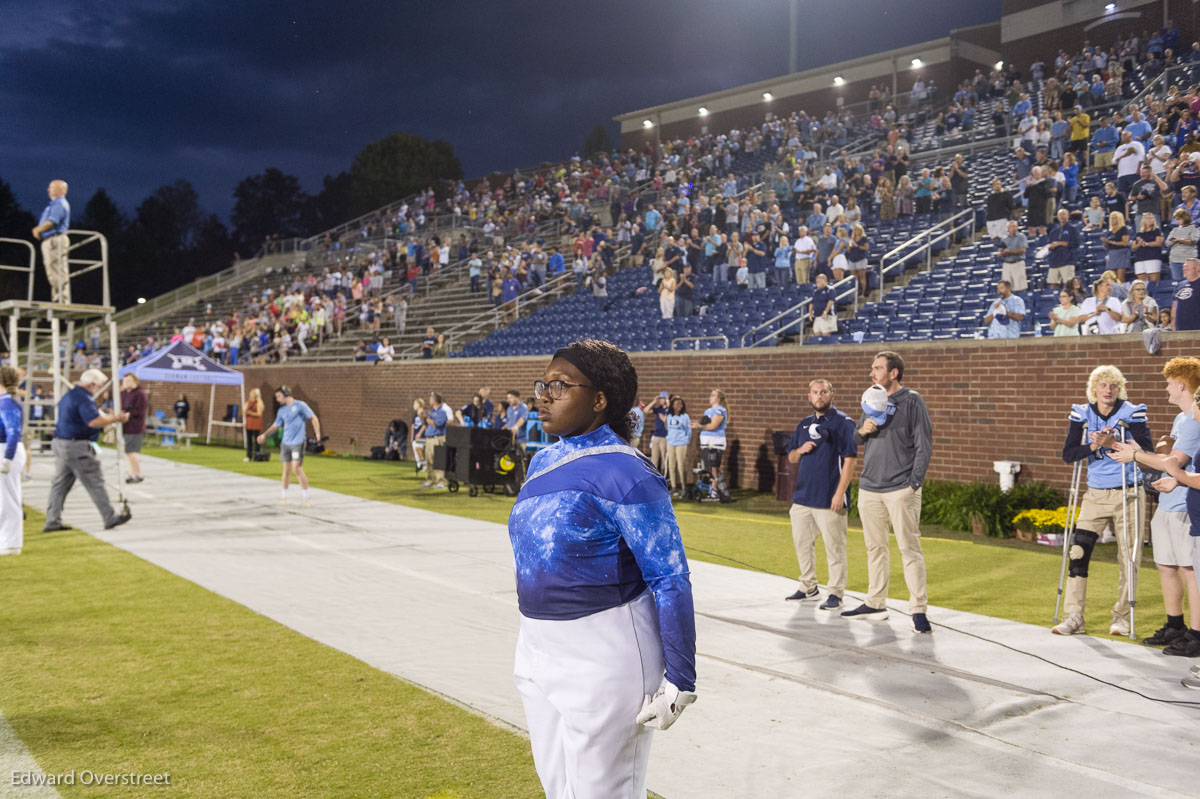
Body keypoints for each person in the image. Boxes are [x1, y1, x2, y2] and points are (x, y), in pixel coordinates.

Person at [509, 339, 696, 797]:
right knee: (559, 789)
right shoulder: (542, 460)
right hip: (536, 646)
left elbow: (669, 576)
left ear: (599, 400)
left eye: (559, 385)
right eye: (543, 384)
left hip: (605, 652)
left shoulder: (627, 471)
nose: (543, 395)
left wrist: (682, 677)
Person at [1110, 358, 1200, 656]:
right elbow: (1168, 458)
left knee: (1190, 570)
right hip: (1168, 499)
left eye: (1169, 383)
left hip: (1184, 506)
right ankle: (1175, 625)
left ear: (1181, 384)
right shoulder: (1181, 419)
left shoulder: (1193, 421)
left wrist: (1136, 456)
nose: (1166, 388)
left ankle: (1195, 634)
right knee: (1166, 565)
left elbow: (1172, 462)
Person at [1052, 366, 1150, 637]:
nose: (1108, 390)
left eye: (1113, 386)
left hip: (1128, 492)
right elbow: (1069, 454)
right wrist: (1096, 446)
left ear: (1119, 389)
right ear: (1094, 388)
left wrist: (1114, 440)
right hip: (1095, 494)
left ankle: (1121, 617)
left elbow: (1146, 449)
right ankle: (1074, 616)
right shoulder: (1081, 414)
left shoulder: (1132, 412)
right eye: (1103, 385)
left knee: (1129, 556)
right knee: (1078, 551)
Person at [845, 352, 933, 633]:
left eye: (878, 368)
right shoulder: (872, 396)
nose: (872, 373)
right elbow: (855, 438)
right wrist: (863, 430)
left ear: (894, 373)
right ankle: (875, 602)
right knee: (875, 548)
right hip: (870, 487)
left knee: (909, 548)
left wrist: (913, 484)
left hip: (900, 489)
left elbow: (924, 445)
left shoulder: (912, 401)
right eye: (872, 367)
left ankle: (918, 609)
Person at [784, 379, 857, 610]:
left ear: (831, 395)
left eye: (823, 392)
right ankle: (808, 586)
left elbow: (850, 460)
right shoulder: (804, 424)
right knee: (802, 544)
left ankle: (835, 593)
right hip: (803, 497)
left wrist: (840, 493)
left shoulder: (843, 422)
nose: (819, 396)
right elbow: (791, 457)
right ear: (809, 397)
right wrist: (800, 450)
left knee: (835, 548)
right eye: (815, 392)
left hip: (829, 498)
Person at [43, 369, 131, 531]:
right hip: (76, 446)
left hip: (61, 442)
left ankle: (52, 520)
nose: (99, 389)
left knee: (60, 485)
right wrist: (117, 419)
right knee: (94, 480)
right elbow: (93, 421)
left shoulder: (68, 396)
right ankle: (109, 517)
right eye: (99, 386)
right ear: (91, 384)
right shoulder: (84, 398)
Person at [256, 386, 321, 507]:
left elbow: (313, 417)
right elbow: (275, 426)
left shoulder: (300, 405)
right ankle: (283, 497)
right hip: (286, 444)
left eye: (279, 396)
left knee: (296, 468)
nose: (277, 399)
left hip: (298, 442)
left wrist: (317, 434)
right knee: (286, 471)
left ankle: (306, 498)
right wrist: (264, 435)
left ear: (286, 394)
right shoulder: (281, 411)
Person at [31, 179, 71, 303]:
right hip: (51, 239)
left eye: (51, 187)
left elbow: (52, 221)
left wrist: (38, 230)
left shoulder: (60, 204)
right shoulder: (55, 204)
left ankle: (62, 298)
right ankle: (58, 296)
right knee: (52, 269)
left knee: (56, 268)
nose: (48, 190)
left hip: (55, 239)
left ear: (59, 189)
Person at [0, 366, 25, 555]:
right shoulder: (5, 400)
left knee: (9, 498)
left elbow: (13, 431)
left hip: (7, 450)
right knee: (4, 498)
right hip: (7, 448)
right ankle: (6, 540)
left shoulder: (8, 401)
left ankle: (12, 544)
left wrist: (7, 458)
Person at [691, 389, 730, 503]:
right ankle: (715, 491)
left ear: (719, 398)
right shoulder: (707, 411)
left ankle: (719, 492)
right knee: (709, 468)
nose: (710, 397)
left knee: (715, 467)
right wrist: (698, 425)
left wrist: (699, 426)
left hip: (715, 441)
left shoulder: (720, 410)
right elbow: (705, 424)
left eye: (713, 395)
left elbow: (713, 426)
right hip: (706, 441)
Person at [119, 374, 147, 484]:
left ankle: (137, 474)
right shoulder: (124, 393)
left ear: (135, 381)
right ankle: (133, 473)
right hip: (125, 426)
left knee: (131, 451)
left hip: (134, 427)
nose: (127, 382)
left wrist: (128, 414)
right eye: (125, 380)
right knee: (127, 451)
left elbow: (140, 411)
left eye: (129, 380)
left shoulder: (140, 394)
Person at [419, 392, 449, 489]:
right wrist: (422, 416)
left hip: (438, 438)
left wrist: (426, 417)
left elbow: (437, 424)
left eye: (431, 398)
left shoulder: (442, 412)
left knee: (438, 460)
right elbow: (426, 423)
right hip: (429, 438)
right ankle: (430, 479)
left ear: (435, 400)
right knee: (429, 460)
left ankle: (441, 481)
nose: (429, 400)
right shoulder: (431, 411)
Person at [1045, 208, 1079, 289]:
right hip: (1054, 262)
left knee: (1069, 286)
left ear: (1068, 216)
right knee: (1053, 285)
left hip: (1067, 261)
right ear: (1057, 217)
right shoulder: (1054, 231)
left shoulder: (1072, 229)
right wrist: (1051, 247)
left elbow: (1075, 243)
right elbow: (1049, 245)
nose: (1062, 216)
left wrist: (1059, 243)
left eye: (1064, 214)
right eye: (1060, 215)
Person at [665, 395, 691, 497]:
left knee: (680, 465)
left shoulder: (685, 417)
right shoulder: (669, 416)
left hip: (681, 443)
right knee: (671, 465)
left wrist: (686, 440)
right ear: (672, 405)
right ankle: (674, 487)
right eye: (676, 404)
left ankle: (684, 488)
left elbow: (688, 431)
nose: (678, 406)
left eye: (680, 404)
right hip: (671, 442)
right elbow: (668, 428)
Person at [1165, 209, 1198, 284]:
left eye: (1178, 219)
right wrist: (1174, 241)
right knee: (1177, 283)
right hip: (1174, 259)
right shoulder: (1175, 230)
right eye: (1176, 220)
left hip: (1188, 259)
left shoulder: (1193, 228)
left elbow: (1193, 241)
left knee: (1190, 281)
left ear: (1184, 218)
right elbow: (1167, 243)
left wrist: (1178, 240)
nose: (1177, 222)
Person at [1130, 213, 1164, 284]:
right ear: (1143, 220)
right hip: (1139, 259)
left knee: (1154, 281)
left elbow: (1159, 243)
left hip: (1153, 258)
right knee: (1142, 282)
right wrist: (1139, 244)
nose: (1149, 220)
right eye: (1147, 218)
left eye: (1151, 218)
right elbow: (1133, 247)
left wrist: (1146, 244)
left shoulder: (1157, 231)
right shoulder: (1138, 234)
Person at [997, 220, 1029, 292]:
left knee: (1020, 287)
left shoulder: (1021, 236)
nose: (1013, 228)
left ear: (1017, 227)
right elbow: (999, 253)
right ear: (1007, 228)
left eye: (1014, 226)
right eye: (1011, 226)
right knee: (1006, 287)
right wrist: (1002, 253)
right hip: (1007, 264)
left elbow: (1023, 250)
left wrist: (1009, 252)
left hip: (1018, 263)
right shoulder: (1004, 239)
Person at [1172, 258, 1200, 331]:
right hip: (1180, 329)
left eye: (1187, 267)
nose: (1184, 269)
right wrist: (1173, 322)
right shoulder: (1179, 285)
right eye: (1184, 267)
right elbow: (1175, 305)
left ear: (1197, 268)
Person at [648, 391, 669, 474]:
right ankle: (653, 476)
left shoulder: (669, 410)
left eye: (662, 398)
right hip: (656, 436)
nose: (660, 400)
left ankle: (664, 476)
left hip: (664, 437)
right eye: (659, 398)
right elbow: (646, 410)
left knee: (664, 459)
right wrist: (654, 401)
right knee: (654, 459)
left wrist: (668, 402)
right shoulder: (659, 409)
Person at [243, 387, 264, 462]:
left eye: (252, 393)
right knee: (249, 441)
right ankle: (249, 456)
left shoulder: (259, 402)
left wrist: (250, 413)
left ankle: (257, 455)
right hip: (249, 423)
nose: (251, 394)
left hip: (256, 424)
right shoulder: (248, 402)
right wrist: (245, 412)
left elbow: (259, 413)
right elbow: (243, 412)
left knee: (256, 440)